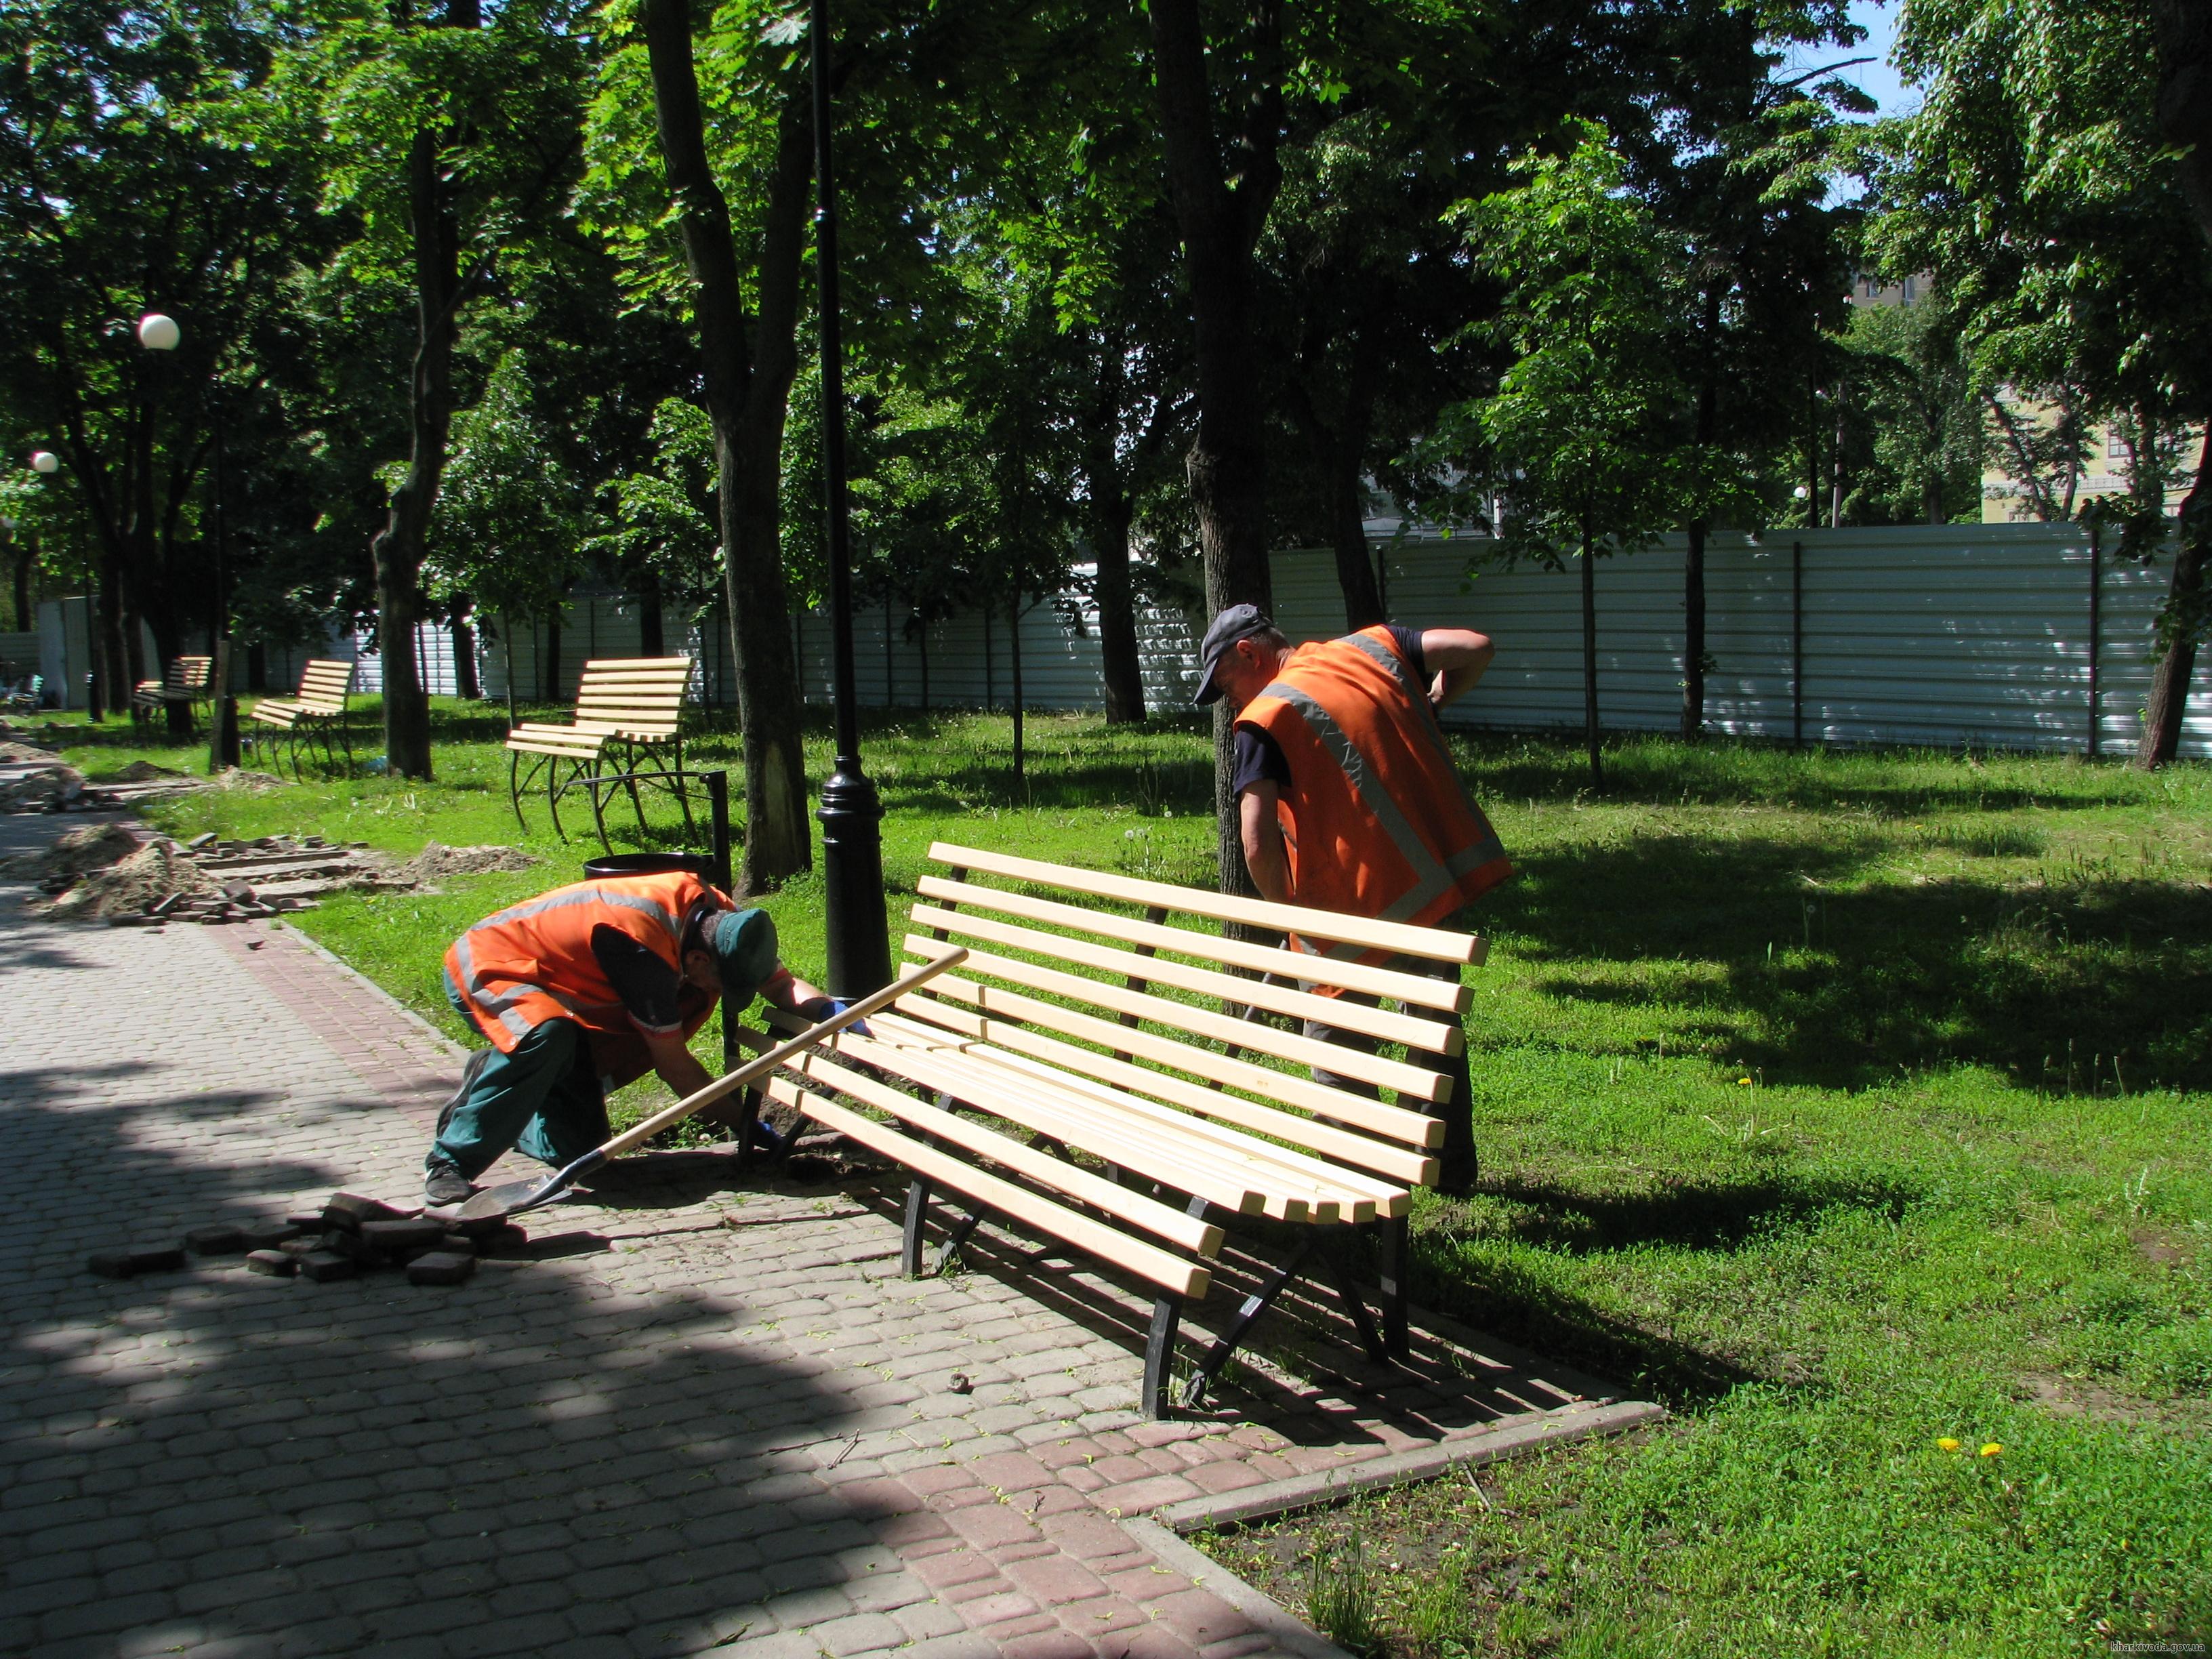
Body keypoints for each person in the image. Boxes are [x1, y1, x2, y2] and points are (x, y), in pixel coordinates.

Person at [1194, 603, 1513, 1194]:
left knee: (1337, 1042)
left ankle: (1357, 1187)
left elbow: (1257, 843)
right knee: (1433, 1033)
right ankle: (1446, 1172)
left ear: (1248, 653)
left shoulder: (1265, 717)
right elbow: (1476, 647)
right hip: (1429, 889)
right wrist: (1434, 702)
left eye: (1226, 686)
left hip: (1344, 911)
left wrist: (1290, 917)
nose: (1229, 702)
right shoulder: (1373, 649)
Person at [422, 865, 833, 1205]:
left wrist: (832, 1010)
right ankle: (451, 1161)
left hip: (565, 982)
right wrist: (747, 1127)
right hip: (494, 962)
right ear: (696, 958)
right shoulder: (641, 953)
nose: (721, 994)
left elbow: (782, 985)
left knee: (579, 1150)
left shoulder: (728, 925)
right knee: (546, 1035)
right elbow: (674, 1067)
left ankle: (506, 1092)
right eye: (721, 984)